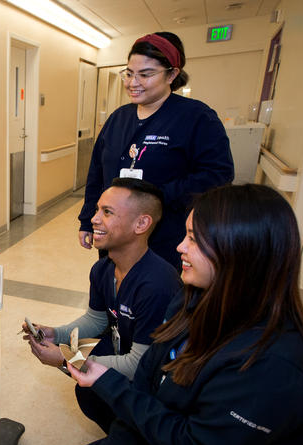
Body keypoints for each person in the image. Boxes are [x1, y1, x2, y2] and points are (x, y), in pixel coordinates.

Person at [60, 184, 303, 445]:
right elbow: (149, 373)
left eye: (193, 238)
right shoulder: (191, 297)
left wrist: (109, 383)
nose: (179, 246)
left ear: (239, 251)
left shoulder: (276, 363)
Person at [24, 178, 179, 432]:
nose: (94, 219)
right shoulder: (102, 269)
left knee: (84, 375)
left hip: (155, 373)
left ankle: (138, 441)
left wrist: (65, 360)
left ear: (141, 224)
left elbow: (138, 364)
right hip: (127, 346)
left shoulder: (157, 284)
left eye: (107, 212)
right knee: (82, 377)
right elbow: (96, 319)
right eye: (97, 210)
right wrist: (56, 333)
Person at [77, 32, 233, 268]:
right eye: (128, 73)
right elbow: (97, 173)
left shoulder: (196, 118)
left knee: (155, 294)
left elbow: (217, 176)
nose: (132, 82)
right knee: (114, 289)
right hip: (114, 235)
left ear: (172, 74)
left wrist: (157, 195)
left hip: (164, 235)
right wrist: (88, 220)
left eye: (145, 74)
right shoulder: (118, 118)